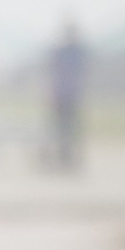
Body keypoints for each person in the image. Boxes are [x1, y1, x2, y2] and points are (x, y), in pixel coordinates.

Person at [46, 18, 87, 173]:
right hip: (62, 94)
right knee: (60, 128)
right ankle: (62, 156)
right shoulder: (68, 52)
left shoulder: (74, 52)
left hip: (69, 95)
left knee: (69, 128)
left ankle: (67, 157)